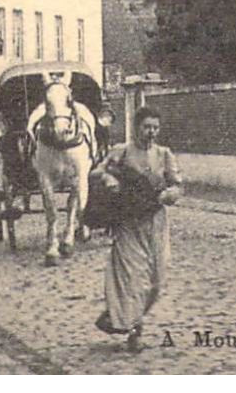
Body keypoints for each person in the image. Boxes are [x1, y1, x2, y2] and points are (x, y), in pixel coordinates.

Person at [91, 105, 182, 351]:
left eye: (155, 127)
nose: (151, 132)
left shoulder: (164, 155)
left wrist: (169, 194)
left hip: (155, 223)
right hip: (128, 223)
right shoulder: (121, 152)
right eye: (146, 127)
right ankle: (134, 330)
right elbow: (97, 171)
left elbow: (177, 185)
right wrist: (109, 179)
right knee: (131, 278)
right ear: (136, 127)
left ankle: (116, 315)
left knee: (157, 280)